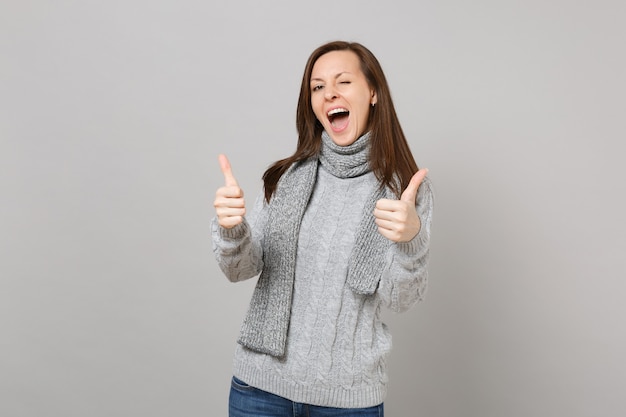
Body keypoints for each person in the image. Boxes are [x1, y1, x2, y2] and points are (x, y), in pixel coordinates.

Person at [212, 40, 433, 417]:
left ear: (373, 92)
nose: (329, 93)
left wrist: (411, 242)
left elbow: (402, 299)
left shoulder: (404, 191)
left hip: (346, 402)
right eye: (317, 87)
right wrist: (232, 229)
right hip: (259, 391)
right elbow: (240, 269)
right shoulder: (289, 177)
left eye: (343, 82)